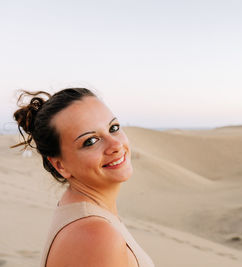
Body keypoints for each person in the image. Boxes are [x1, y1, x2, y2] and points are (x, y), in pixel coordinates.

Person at [12, 88, 155, 267]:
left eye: (114, 128)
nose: (116, 144)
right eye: (90, 141)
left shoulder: (87, 219)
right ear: (60, 166)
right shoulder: (96, 235)